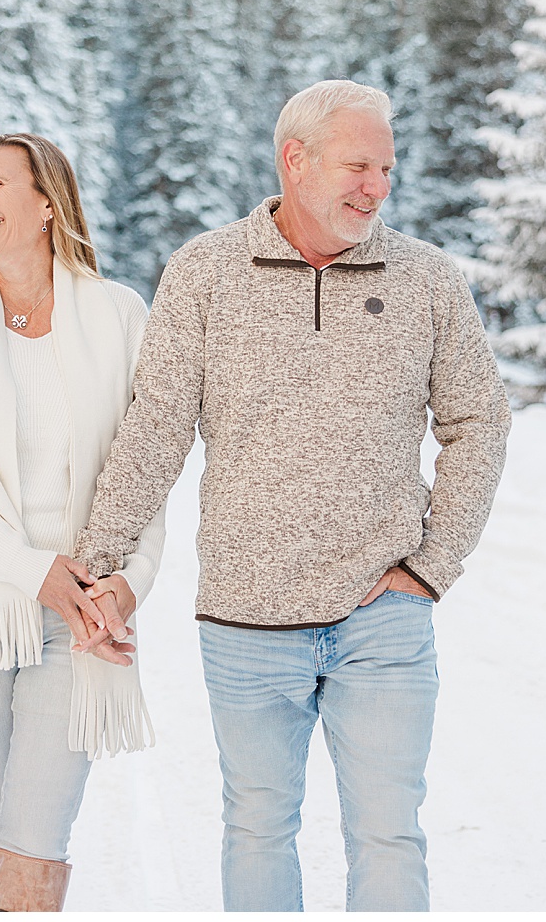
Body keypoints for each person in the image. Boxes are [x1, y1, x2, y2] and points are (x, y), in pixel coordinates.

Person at [72, 80, 512, 911]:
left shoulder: (427, 280)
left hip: (381, 613)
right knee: (258, 826)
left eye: (386, 166)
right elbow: (158, 426)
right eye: (357, 164)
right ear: (295, 160)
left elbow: (479, 422)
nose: (376, 185)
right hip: (246, 619)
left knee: (388, 833)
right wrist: (97, 562)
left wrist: (431, 566)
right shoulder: (204, 271)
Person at [0, 132, 165, 912]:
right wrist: (29, 568)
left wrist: (128, 584)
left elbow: (145, 464)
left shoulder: (119, 315)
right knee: (0, 819)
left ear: (47, 203)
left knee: (36, 833)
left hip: (77, 609)